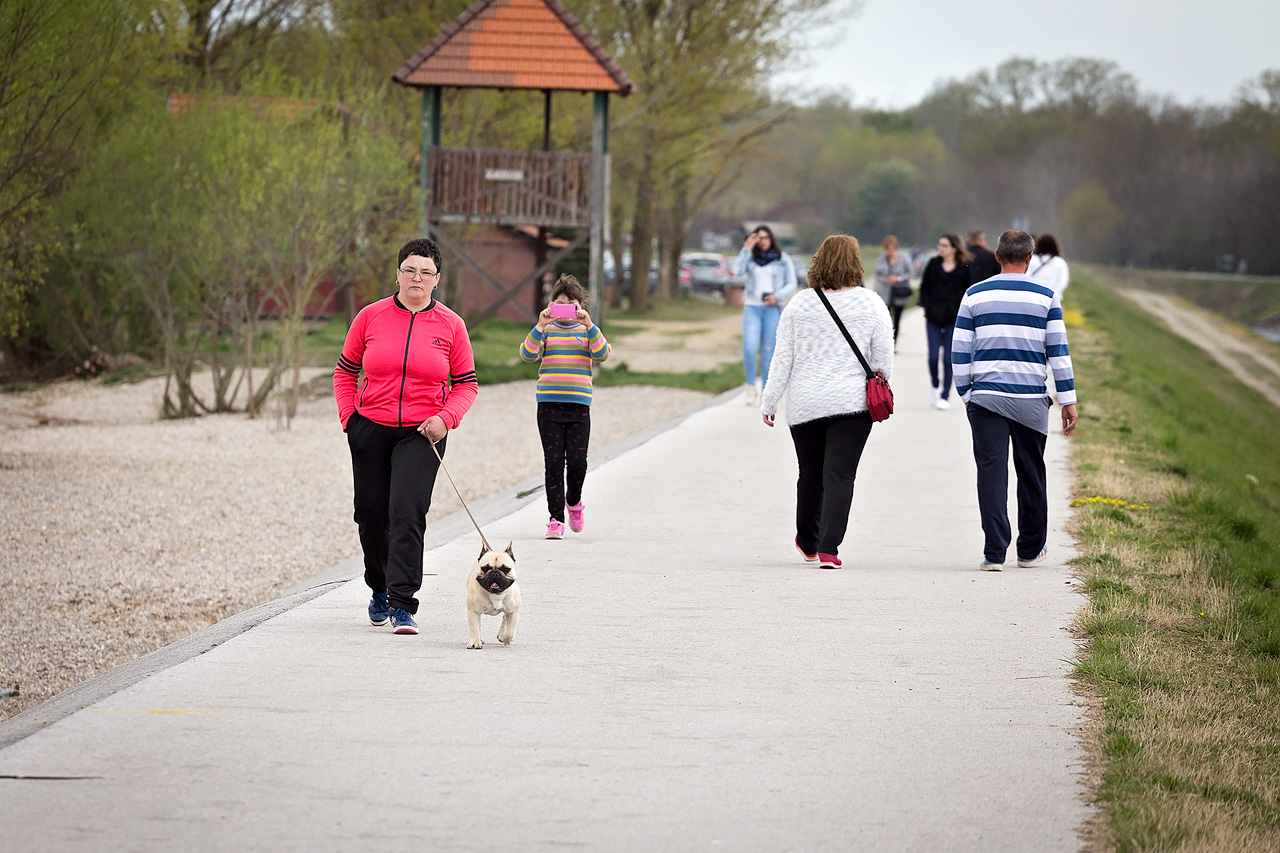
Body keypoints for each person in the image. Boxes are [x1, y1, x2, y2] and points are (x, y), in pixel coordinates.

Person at [334, 237, 479, 635]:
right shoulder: (370, 317)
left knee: (407, 512)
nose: (417, 278)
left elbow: (467, 384)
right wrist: (349, 418)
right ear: (397, 274)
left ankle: (402, 604)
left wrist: (446, 418)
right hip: (370, 429)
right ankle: (379, 588)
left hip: (423, 433)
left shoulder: (451, 325)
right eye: (410, 270)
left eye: (426, 272)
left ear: (437, 280)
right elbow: (345, 372)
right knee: (370, 515)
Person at [760, 234, 893, 570]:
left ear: (818, 260)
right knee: (840, 475)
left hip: (805, 403)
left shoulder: (799, 304)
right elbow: (882, 361)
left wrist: (769, 401)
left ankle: (807, 541)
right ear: (856, 262)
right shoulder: (872, 303)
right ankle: (829, 549)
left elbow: (783, 358)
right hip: (852, 404)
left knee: (810, 474)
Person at [951, 229, 1078, 571]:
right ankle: (1029, 550)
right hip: (1030, 399)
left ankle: (994, 553)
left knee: (991, 474)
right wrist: (1068, 399)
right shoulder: (1047, 297)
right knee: (1031, 473)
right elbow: (1059, 353)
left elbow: (959, 349)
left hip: (986, 398)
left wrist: (966, 393)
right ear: (1029, 258)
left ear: (997, 256)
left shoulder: (974, 294)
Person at [519, 274, 612, 539]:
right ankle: (555, 519)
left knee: (578, 463)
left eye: (571, 305)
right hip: (548, 405)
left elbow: (603, 354)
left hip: (579, 406)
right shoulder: (547, 330)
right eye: (559, 304)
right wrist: (540, 325)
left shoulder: (586, 331)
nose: (565, 310)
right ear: (551, 305)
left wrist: (590, 325)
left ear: (580, 306)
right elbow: (527, 354)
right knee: (554, 463)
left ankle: (574, 502)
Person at [731, 224, 798, 404]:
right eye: (758, 238)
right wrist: (746, 248)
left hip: (772, 308)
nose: (762, 241)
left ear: (771, 238)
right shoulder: (750, 258)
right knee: (750, 347)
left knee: (769, 351)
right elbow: (737, 271)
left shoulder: (781, 258)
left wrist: (778, 296)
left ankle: (766, 391)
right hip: (752, 307)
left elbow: (791, 283)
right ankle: (750, 386)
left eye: (765, 237)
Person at [916, 233, 972, 410]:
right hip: (933, 317)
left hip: (953, 319)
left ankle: (945, 395)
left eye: (945, 245)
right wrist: (927, 306)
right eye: (940, 245)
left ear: (954, 248)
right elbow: (924, 287)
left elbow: (968, 291)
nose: (941, 248)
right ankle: (935, 385)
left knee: (948, 359)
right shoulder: (933, 264)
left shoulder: (964, 267)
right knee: (933, 357)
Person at [874, 235, 914, 345]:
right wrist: (886, 279)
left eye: (891, 248)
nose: (889, 251)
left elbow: (910, 273)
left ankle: (894, 342)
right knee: (885, 319)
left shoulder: (904, 259)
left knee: (897, 319)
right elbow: (877, 275)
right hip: (885, 292)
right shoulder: (881, 260)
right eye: (887, 248)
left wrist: (898, 278)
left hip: (899, 293)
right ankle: (885, 341)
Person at [1028, 234, 1070, 298]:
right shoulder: (1060, 263)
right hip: (1053, 297)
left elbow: (1027, 276)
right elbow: (1063, 282)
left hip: (1034, 296)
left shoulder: (1032, 260)